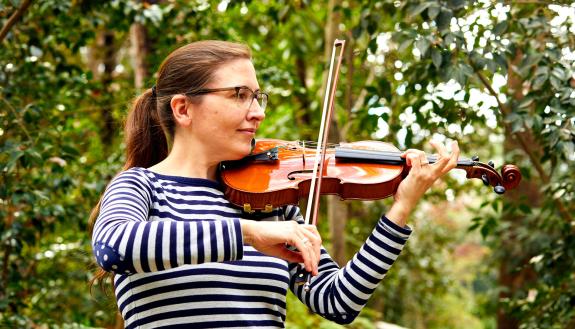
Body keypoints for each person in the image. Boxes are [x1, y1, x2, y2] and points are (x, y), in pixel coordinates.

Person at [89, 40, 459, 329]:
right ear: (183, 109)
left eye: (257, 96)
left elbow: (338, 301)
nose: (258, 111)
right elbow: (114, 246)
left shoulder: (270, 202)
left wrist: (400, 209)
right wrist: (250, 234)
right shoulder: (142, 187)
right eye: (239, 95)